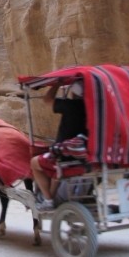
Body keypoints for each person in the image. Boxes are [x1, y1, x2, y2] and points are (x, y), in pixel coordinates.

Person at [30, 78, 88, 211]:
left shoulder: (70, 106)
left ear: (73, 93)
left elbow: (47, 99)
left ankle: (48, 200)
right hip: (85, 155)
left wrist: (57, 84)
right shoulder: (93, 107)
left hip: (65, 156)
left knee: (34, 162)